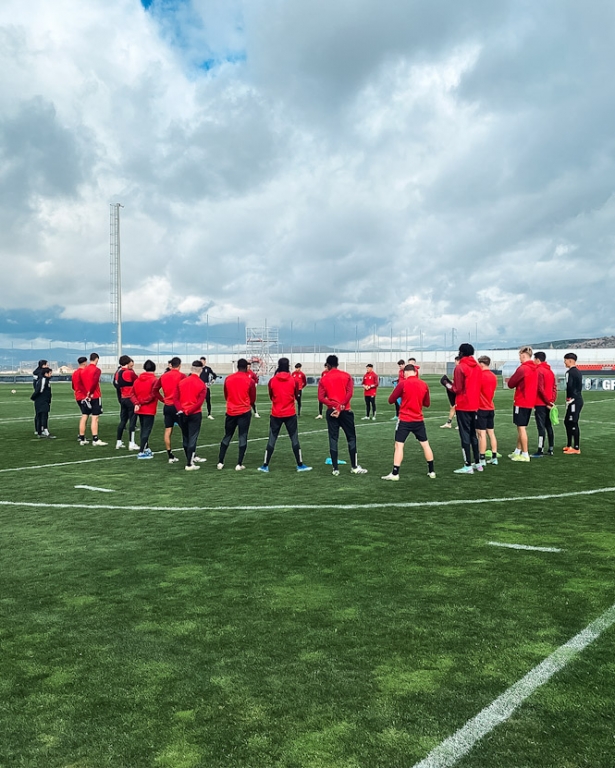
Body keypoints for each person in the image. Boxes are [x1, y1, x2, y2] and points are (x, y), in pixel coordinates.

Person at [258, 358, 312, 472]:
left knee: (272, 439)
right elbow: (296, 394)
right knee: (294, 439)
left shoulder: (272, 381)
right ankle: (300, 464)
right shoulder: (293, 381)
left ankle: (265, 465)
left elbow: (271, 396)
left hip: (276, 413)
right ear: (288, 366)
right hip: (290, 413)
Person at [382, 364, 435, 480]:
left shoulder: (403, 383)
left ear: (405, 373)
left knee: (399, 445)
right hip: (418, 419)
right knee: (425, 444)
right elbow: (427, 404)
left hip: (405, 419)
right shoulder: (424, 384)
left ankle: (395, 473)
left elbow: (391, 400)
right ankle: (431, 471)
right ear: (415, 372)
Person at [318, 354, 368, 476]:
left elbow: (320, 397)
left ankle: (335, 469)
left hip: (332, 411)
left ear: (328, 365)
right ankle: (354, 467)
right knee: (351, 438)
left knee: (333, 438)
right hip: (345, 410)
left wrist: (333, 405)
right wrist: (341, 406)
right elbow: (350, 393)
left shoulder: (324, 378)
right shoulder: (346, 376)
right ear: (337, 364)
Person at [446, 343, 482, 474]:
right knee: (473, 433)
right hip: (475, 404)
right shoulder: (477, 367)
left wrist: (447, 384)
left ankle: (467, 465)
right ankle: (477, 463)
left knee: (465, 434)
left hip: (463, 404)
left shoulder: (460, 367)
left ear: (461, 352)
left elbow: (457, 389)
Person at [217, 358, 256, 470]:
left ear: (237, 366)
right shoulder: (250, 381)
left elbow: (226, 394)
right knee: (242, 436)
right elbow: (253, 398)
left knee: (227, 435)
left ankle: (220, 462)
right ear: (246, 367)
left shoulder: (228, 378)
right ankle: (239, 464)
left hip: (231, 411)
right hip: (244, 411)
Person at [506, 346, 539, 462]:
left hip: (521, 401)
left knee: (521, 428)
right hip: (530, 401)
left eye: (520, 355)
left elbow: (511, 383)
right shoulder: (535, 368)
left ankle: (525, 453)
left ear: (523, 355)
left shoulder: (523, 368)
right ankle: (518, 451)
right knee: (522, 427)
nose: (519, 357)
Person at [176, 360, 207, 470]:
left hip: (182, 413)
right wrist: (189, 410)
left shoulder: (182, 382)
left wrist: (181, 410)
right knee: (192, 438)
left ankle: (189, 459)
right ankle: (189, 463)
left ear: (191, 369)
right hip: (194, 413)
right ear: (201, 370)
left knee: (185, 437)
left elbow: (176, 398)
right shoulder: (201, 384)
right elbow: (199, 402)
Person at [131, 360, 163, 459]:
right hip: (149, 408)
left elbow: (132, 394)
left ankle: (146, 448)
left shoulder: (137, 380)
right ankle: (141, 451)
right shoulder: (154, 380)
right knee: (146, 430)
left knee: (143, 429)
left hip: (139, 409)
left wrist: (137, 403)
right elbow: (153, 395)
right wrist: (142, 402)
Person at [159, 357, 185, 463]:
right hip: (178, 406)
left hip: (168, 406)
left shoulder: (163, 376)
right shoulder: (182, 376)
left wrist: (163, 400)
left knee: (168, 430)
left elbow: (155, 390)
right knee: (186, 431)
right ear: (179, 365)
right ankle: (191, 454)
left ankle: (170, 455)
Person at [532, 351, 557, 457]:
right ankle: (551, 448)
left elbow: (540, 389)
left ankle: (540, 450)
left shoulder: (538, 371)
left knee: (541, 427)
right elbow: (554, 387)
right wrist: (551, 401)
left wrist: (546, 401)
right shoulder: (550, 371)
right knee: (549, 426)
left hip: (540, 403)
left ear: (537, 360)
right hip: (548, 403)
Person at [79, 352, 107, 446]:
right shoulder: (97, 370)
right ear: (97, 359)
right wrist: (90, 392)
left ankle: (82, 438)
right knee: (95, 418)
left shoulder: (83, 370)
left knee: (84, 415)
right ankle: (95, 439)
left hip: (86, 397)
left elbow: (80, 384)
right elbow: (95, 382)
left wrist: (86, 394)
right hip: (94, 395)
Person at [114, 355, 139, 450]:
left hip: (123, 398)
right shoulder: (129, 373)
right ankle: (131, 443)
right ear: (128, 363)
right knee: (132, 421)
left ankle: (118, 442)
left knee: (123, 421)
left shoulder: (118, 372)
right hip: (130, 398)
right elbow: (138, 381)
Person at [477, 356, 498, 466]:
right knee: (491, 433)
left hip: (481, 407)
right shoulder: (494, 376)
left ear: (481, 364)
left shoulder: (480, 376)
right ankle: (494, 456)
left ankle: (482, 458)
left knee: (481, 434)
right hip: (490, 406)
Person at [563, 352, 583, 454]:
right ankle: (569, 444)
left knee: (573, 422)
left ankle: (576, 447)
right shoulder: (579, 372)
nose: (564, 362)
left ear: (570, 360)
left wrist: (569, 398)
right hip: (577, 399)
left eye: (565, 360)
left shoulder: (569, 372)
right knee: (567, 421)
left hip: (574, 400)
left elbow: (570, 386)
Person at [31, 366, 56, 438]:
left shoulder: (44, 380)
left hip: (43, 401)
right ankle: (45, 432)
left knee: (41, 416)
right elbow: (39, 390)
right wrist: (33, 397)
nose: (51, 375)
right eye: (50, 373)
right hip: (42, 401)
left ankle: (40, 432)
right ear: (46, 374)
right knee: (43, 416)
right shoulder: (43, 380)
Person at [71, 356, 90, 444]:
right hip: (83, 396)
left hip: (78, 395)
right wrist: (87, 394)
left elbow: (73, 386)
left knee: (85, 414)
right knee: (85, 415)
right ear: (85, 362)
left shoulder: (75, 372)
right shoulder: (83, 372)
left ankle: (82, 435)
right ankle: (81, 436)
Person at [440, 356, 460, 428]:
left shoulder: (460, 369)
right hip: (455, 388)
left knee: (457, 406)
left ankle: (459, 424)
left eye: (455, 361)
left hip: (459, 391)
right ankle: (449, 423)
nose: (455, 363)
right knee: (452, 406)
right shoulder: (457, 369)